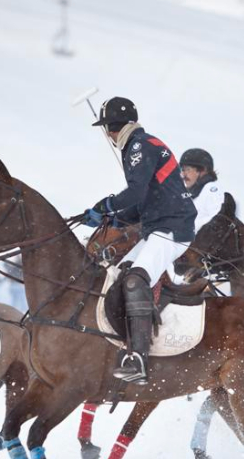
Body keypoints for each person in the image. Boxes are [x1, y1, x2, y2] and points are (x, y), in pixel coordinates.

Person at [83, 96, 197, 384]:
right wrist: (114, 218)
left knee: (135, 279)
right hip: (157, 226)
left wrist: (106, 205)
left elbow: (134, 192)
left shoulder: (139, 145)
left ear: (112, 127)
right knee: (122, 275)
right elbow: (142, 201)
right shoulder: (139, 146)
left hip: (172, 228)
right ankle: (135, 337)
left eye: (106, 128)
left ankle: (139, 359)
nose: (107, 135)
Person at [180, 148, 225, 231]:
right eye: (182, 170)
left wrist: (184, 226)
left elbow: (217, 220)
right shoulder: (189, 194)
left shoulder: (212, 190)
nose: (183, 174)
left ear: (203, 170)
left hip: (198, 242)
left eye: (188, 170)